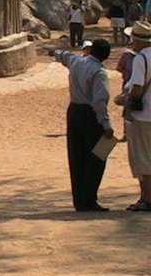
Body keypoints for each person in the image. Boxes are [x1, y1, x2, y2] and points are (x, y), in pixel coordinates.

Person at [51, 39, 114, 212]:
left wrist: (54, 52)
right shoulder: (99, 72)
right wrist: (106, 124)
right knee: (98, 157)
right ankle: (90, 199)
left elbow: (63, 55)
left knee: (76, 155)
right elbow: (100, 101)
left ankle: (79, 200)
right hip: (91, 115)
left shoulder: (76, 61)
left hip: (74, 111)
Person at [121, 21, 151, 211]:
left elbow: (138, 88)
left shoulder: (142, 59)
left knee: (143, 158)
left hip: (144, 115)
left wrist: (124, 99)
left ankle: (146, 198)